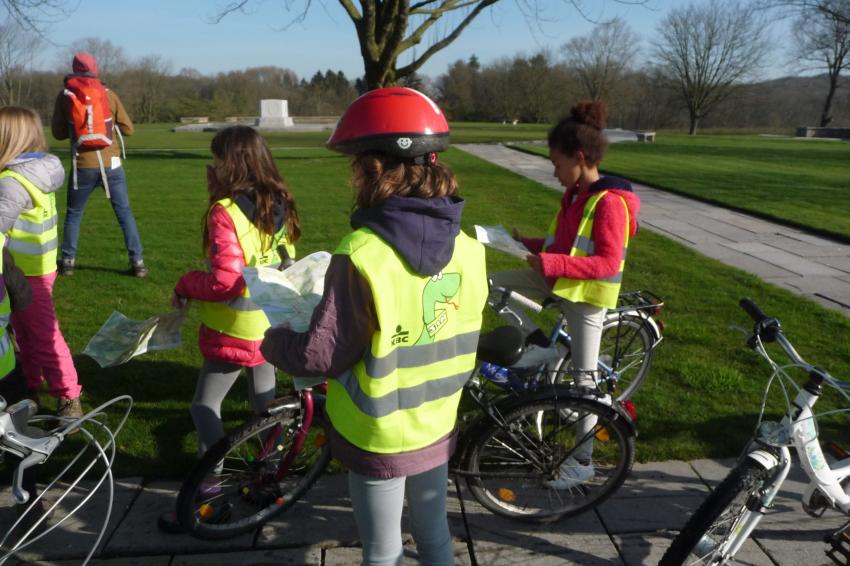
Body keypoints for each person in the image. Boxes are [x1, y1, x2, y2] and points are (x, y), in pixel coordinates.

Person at [261, 87, 488, 566]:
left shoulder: (361, 253)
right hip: (438, 419)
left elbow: (322, 355)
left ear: (375, 170)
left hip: (379, 432)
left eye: (356, 168)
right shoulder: (470, 247)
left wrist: (274, 340)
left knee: (382, 552)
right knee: (434, 535)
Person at [157, 125, 300, 533]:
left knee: (204, 407)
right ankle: (266, 481)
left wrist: (186, 283)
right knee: (265, 407)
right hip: (270, 323)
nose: (213, 166)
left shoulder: (228, 212)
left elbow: (225, 282)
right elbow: (288, 259)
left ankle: (211, 495)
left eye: (218, 158)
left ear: (232, 163)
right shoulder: (281, 200)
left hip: (233, 327)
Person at [493, 100, 640, 489]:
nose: (555, 173)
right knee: (490, 284)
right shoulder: (576, 194)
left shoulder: (610, 203)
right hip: (559, 281)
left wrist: (552, 264)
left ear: (580, 158)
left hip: (587, 296)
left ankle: (583, 462)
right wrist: (526, 243)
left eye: (557, 164)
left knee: (584, 384)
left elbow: (608, 262)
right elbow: (566, 243)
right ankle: (542, 344)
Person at [0, 106, 83, 418]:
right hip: (36, 268)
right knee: (25, 332)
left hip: (26, 273)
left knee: (45, 335)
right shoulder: (33, 173)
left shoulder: (11, 181)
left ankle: (68, 396)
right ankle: (30, 384)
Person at [51, 52, 147, 278]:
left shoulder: (64, 96)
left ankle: (67, 262)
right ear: (96, 69)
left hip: (82, 164)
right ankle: (138, 262)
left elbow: (57, 133)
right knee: (124, 213)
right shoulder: (108, 95)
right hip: (111, 164)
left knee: (74, 214)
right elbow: (129, 129)